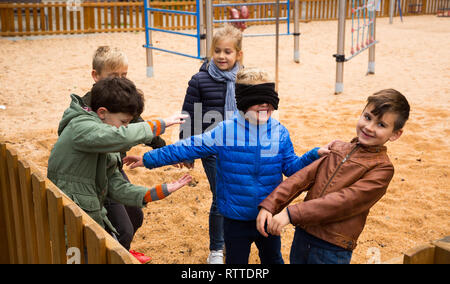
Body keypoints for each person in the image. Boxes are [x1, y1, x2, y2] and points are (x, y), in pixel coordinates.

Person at [124, 68, 331, 264]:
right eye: (257, 101)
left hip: (267, 214)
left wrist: (314, 154)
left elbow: (291, 168)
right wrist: (149, 159)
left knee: (273, 259)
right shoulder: (225, 131)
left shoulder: (279, 132)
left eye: (268, 101)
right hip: (235, 218)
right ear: (242, 102)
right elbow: (187, 147)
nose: (264, 106)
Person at [256, 89, 410, 264]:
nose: (369, 127)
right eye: (367, 117)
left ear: (396, 134)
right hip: (303, 235)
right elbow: (302, 178)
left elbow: (343, 202)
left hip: (331, 246)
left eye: (381, 125)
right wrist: (271, 204)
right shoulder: (338, 148)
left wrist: (291, 214)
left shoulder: (381, 169)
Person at [47, 77, 191, 263]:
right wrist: (159, 125)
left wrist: (154, 193)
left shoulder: (103, 138)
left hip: (87, 214)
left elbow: (115, 184)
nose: (124, 128)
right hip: (71, 219)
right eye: (123, 122)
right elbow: (121, 136)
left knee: (126, 226)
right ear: (102, 112)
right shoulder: (82, 128)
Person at [82, 46, 167, 263]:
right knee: (122, 229)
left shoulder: (121, 98)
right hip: (97, 174)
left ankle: (122, 252)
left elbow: (139, 125)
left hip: (114, 168)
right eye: (113, 76)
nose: (120, 81)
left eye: (124, 75)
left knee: (136, 216)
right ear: (96, 76)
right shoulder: (87, 106)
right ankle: (116, 256)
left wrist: (162, 147)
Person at [179, 25, 243, 264]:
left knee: (237, 192)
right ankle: (217, 249)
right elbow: (189, 114)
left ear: (238, 55)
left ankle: (234, 238)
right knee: (221, 195)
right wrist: (187, 150)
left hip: (239, 146)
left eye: (228, 51)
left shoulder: (244, 79)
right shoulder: (200, 80)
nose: (222, 56)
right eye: (217, 51)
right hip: (212, 148)